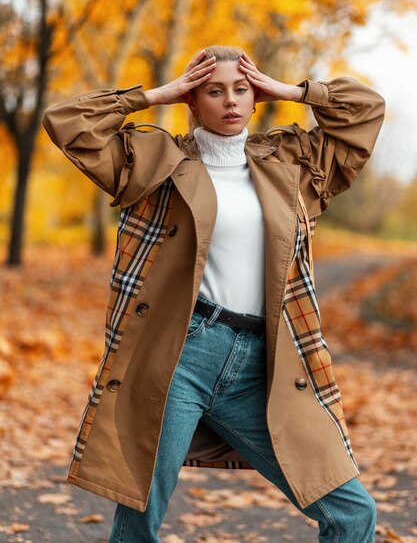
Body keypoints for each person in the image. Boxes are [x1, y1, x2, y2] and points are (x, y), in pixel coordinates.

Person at [42, 45, 385, 542]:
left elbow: (366, 112)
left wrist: (294, 92)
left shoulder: (293, 165)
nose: (230, 101)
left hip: (263, 367)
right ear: (192, 100)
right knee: (138, 521)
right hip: (179, 356)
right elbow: (67, 120)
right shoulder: (154, 162)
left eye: (242, 89)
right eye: (213, 90)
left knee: (352, 512)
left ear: (256, 95)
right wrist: (154, 95)